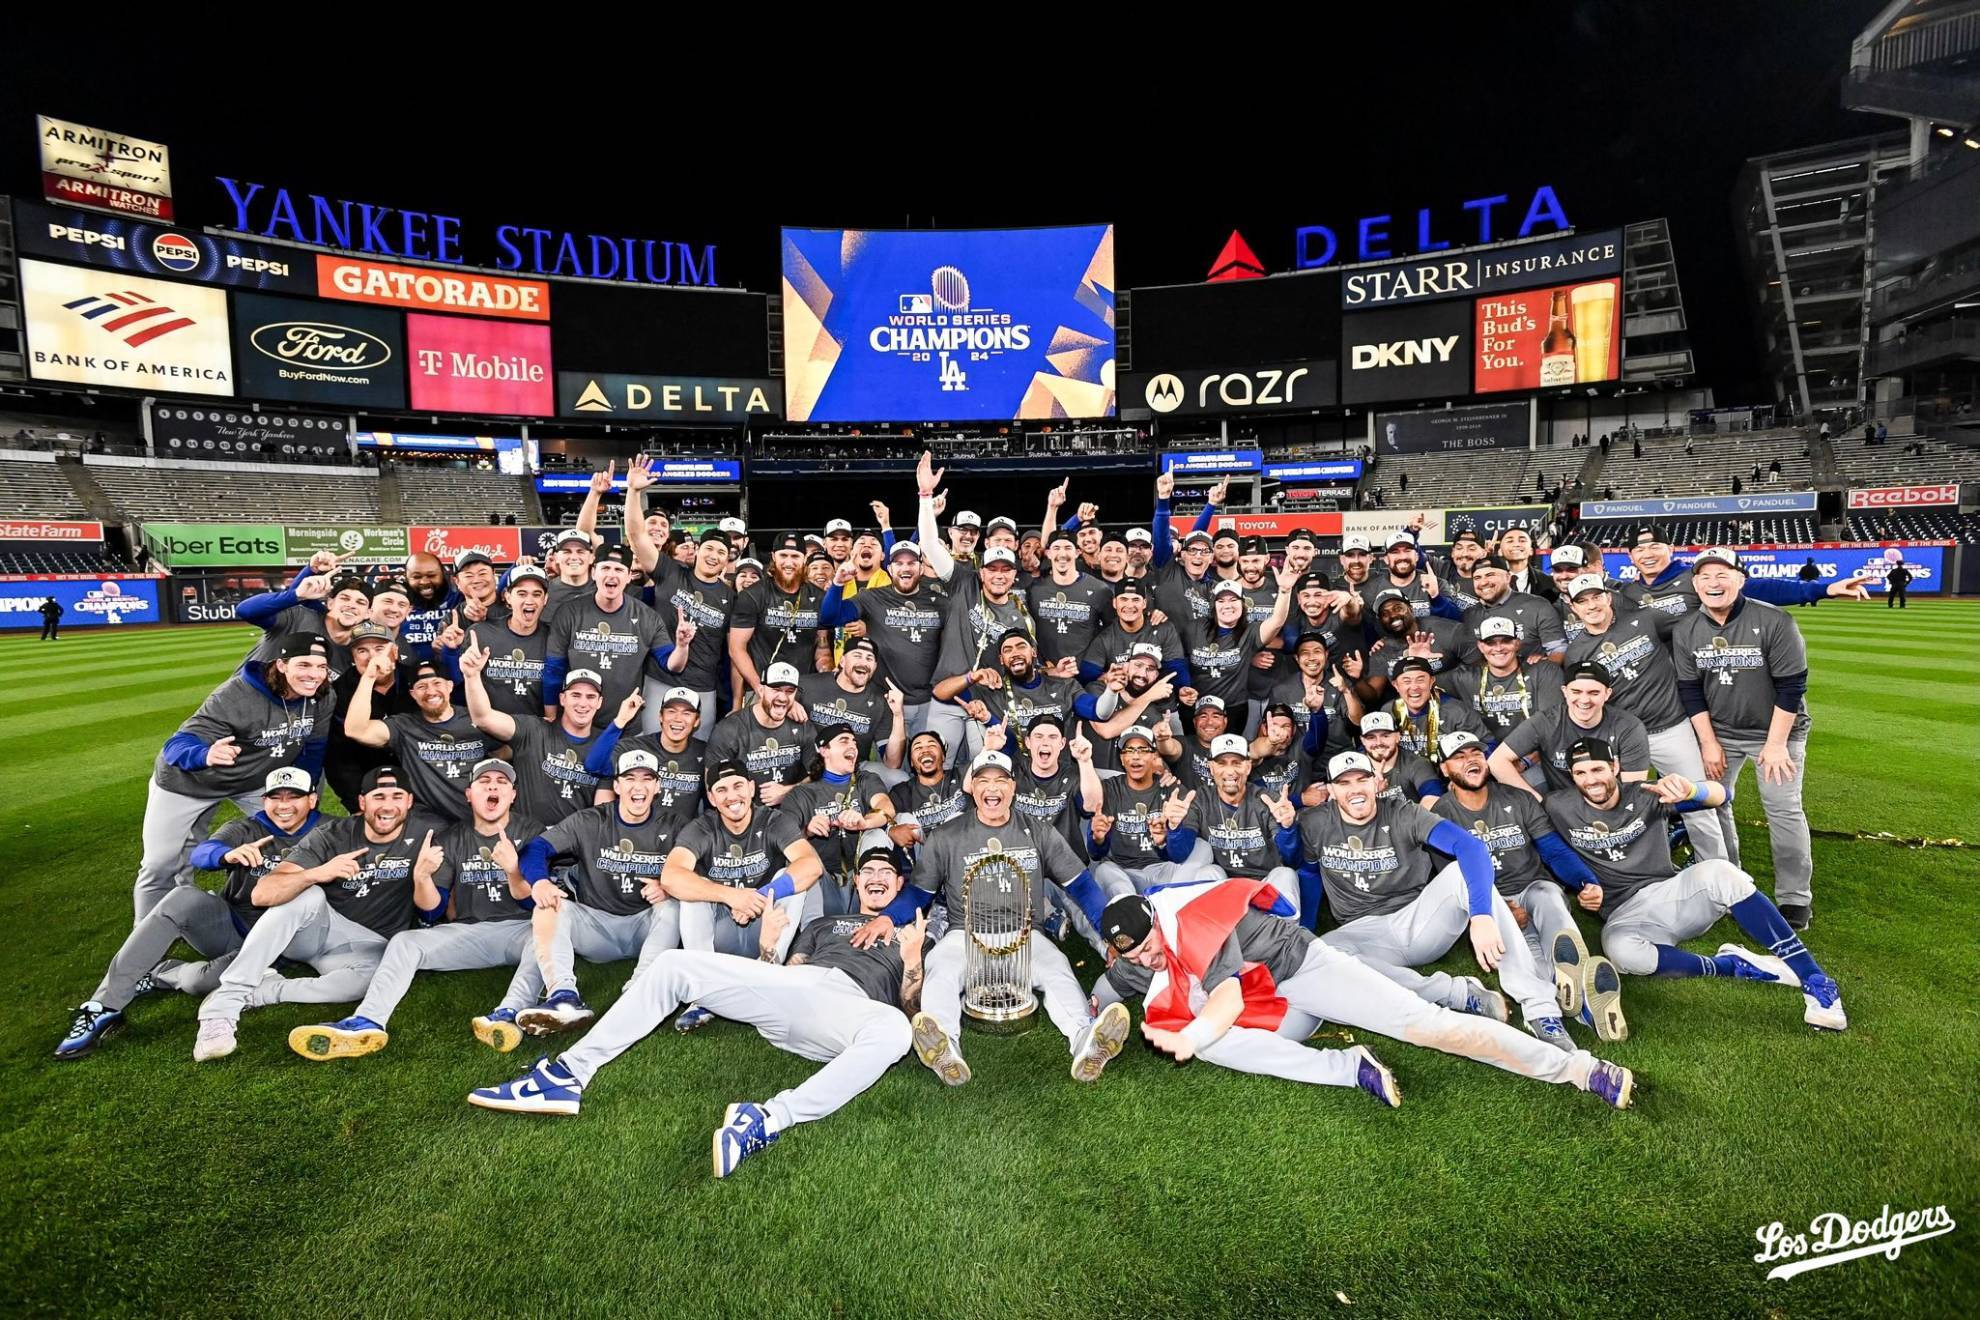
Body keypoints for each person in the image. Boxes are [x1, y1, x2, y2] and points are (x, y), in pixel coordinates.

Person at [466, 845, 924, 1181]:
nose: (877, 876)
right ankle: (567, 1074)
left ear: (899, 885)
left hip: (853, 1011)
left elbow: (911, 1008)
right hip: (797, 990)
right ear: (858, 882)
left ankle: (765, 1119)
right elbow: (780, 975)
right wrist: (767, 944)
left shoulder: (911, 934)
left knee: (895, 1032)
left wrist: (913, 963)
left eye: (887, 871)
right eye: (869, 871)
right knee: (673, 963)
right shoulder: (824, 925)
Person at [1098, 879, 1633, 1109]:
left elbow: (1227, 1001)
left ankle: (1582, 1070)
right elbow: (1137, 981)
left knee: (1430, 1027)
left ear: (1157, 923)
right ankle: (1348, 1067)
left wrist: (1189, 1036)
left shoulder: (1190, 921)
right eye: (1132, 955)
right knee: (1210, 1039)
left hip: (1302, 973)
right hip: (1274, 1003)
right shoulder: (1146, 943)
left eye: (1146, 946)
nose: (1145, 958)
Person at [1544, 739, 1845, 1031]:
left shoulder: (1646, 794)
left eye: (1598, 770)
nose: (1590, 780)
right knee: (1621, 953)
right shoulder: (1559, 806)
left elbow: (1723, 794)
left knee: (1722, 874)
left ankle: (1816, 981)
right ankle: (1732, 965)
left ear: (1615, 767)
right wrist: (1582, 885)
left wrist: (1691, 789)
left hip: (1673, 895)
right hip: (1624, 913)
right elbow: (1548, 849)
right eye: (1580, 773)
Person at [1299, 748, 1576, 1047]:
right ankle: (1455, 993)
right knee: (1318, 955)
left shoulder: (1404, 812)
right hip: (1362, 932)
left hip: (1418, 922)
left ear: (1377, 781)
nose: (1355, 789)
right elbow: (1310, 875)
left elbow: (1470, 848)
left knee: (1461, 873)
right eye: (1344, 783)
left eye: (1362, 779)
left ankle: (1541, 1010)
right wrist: (1307, 925)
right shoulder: (1316, 822)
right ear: (1329, 790)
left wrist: (1481, 915)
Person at [57, 769, 326, 1059]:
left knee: (201, 982)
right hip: (233, 928)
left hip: (284, 944)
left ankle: (161, 973)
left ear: (312, 800)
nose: (284, 805)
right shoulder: (246, 828)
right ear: (264, 801)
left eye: (294, 796)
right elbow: (203, 852)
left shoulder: (332, 829)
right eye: (276, 797)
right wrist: (226, 855)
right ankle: (103, 1007)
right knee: (182, 898)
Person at [287, 761, 543, 1060]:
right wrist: (421, 878)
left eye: (502, 782)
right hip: (471, 932)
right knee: (406, 941)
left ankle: (509, 1014)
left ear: (513, 795)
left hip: (522, 929)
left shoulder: (532, 832)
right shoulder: (450, 838)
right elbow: (431, 914)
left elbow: (534, 901)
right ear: (469, 794)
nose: (492, 786)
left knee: (547, 937)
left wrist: (513, 870)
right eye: (484, 780)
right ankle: (367, 1021)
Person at [902, 750, 1128, 1087]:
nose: (991, 789)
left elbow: (1082, 886)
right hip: (966, 934)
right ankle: (944, 1048)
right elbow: (918, 895)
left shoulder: (1037, 831)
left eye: (999, 781)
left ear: (1012, 786)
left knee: (1058, 970)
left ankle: (1086, 1040)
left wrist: (1111, 935)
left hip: (1025, 936)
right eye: (983, 781)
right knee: (940, 969)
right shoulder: (947, 835)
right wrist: (882, 918)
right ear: (972, 789)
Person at [192, 766, 444, 1061]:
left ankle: (266, 991)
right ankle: (224, 1006)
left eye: (396, 796)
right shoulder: (331, 835)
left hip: (364, 945)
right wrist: (317, 874)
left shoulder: (426, 834)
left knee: (379, 979)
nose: (387, 806)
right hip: (320, 928)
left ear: (409, 801)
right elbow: (262, 894)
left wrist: (424, 876)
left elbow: (432, 912)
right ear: (362, 802)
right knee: (306, 894)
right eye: (378, 796)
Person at [489, 748, 688, 1039]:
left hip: (645, 927)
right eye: (630, 778)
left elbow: (700, 866)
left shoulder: (675, 825)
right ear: (617, 786)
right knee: (547, 906)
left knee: (672, 908)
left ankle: (640, 991)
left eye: (647, 779)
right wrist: (541, 882)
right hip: (597, 927)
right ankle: (562, 996)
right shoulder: (591, 820)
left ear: (658, 787)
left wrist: (668, 885)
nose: (638, 786)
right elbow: (536, 849)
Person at [133, 634, 333, 922]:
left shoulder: (322, 695)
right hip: (188, 783)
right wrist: (205, 755)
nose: (313, 675)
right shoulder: (235, 695)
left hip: (253, 783)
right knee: (159, 862)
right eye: (304, 665)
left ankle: (290, 913)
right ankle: (146, 933)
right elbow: (176, 745)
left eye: (320, 666)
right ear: (281, 665)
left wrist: (305, 790)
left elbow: (313, 747)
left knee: (295, 838)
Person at [1671, 549, 1818, 930]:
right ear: (1695, 584)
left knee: (1782, 810)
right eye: (1704, 576)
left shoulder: (1774, 620)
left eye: (1723, 574)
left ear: (1741, 579)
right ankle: (1733, 881)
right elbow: (1690, 691)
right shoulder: (1687, 629)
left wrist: (1774, 745)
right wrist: (1707, 742)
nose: (1713, 583)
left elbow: (1791, 687)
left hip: (1777, 733)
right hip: (1721, 733)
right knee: (1713, 804)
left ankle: (1794, 898)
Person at [1560, 574, 1727, 859]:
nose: (1591, 605)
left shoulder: (1646, 619)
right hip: (1623, 740)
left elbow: (1694, 625)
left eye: (1596, 596)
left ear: (1608, 597)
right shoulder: (1576, 652)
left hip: (1671, 728)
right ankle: (1639, 874)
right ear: (1573, 607)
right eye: (1582, 601)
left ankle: (1723, 879)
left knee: (1697, 806)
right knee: (1625, 811)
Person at [665, 761, 824, 960]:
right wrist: (732, 896)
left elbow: (811, 865)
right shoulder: (701, 828)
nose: (732, 796)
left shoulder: (773, 820)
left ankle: (770, 963)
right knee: (693, 889)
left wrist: (759, 896)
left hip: (764, 922)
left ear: (751, 788)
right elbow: (670, 877)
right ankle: (703, 975)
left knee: (790, 876)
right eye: (721, 790)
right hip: (721, 924)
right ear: (712, 799)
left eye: (738, 786)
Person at [459, 639, 609, 823]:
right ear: (562, 699)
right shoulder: (533, 730)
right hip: (527, 841)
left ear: (599, 703)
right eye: (575, 695)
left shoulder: (607, 745)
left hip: (574, 845)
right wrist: (471, 676)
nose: (583, 703)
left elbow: (602, 815)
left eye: (591, 697)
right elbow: (483, 718)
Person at [343, 654, 498, 824]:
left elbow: (507, 750)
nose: (431, 691)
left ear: (450, 686)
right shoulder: (404, 726)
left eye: (437, 683)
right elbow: (355, 730)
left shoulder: (477, 719)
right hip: (429, 823)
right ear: (413, 694)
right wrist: (369, 677)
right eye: (422, 686)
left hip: (479, 819)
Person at [1488, 662, 1651, 796]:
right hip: (1563, 803)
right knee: (1527, 781)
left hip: (1611, 798)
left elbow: (1634, 789)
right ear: (1565, 692)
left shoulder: (1629, 726)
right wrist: (1537, 801)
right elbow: (1496, 761)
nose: (1584, 700)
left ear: (1607, 694)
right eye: (1576, 691)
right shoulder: (1546, 721)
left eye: (1594, 692)